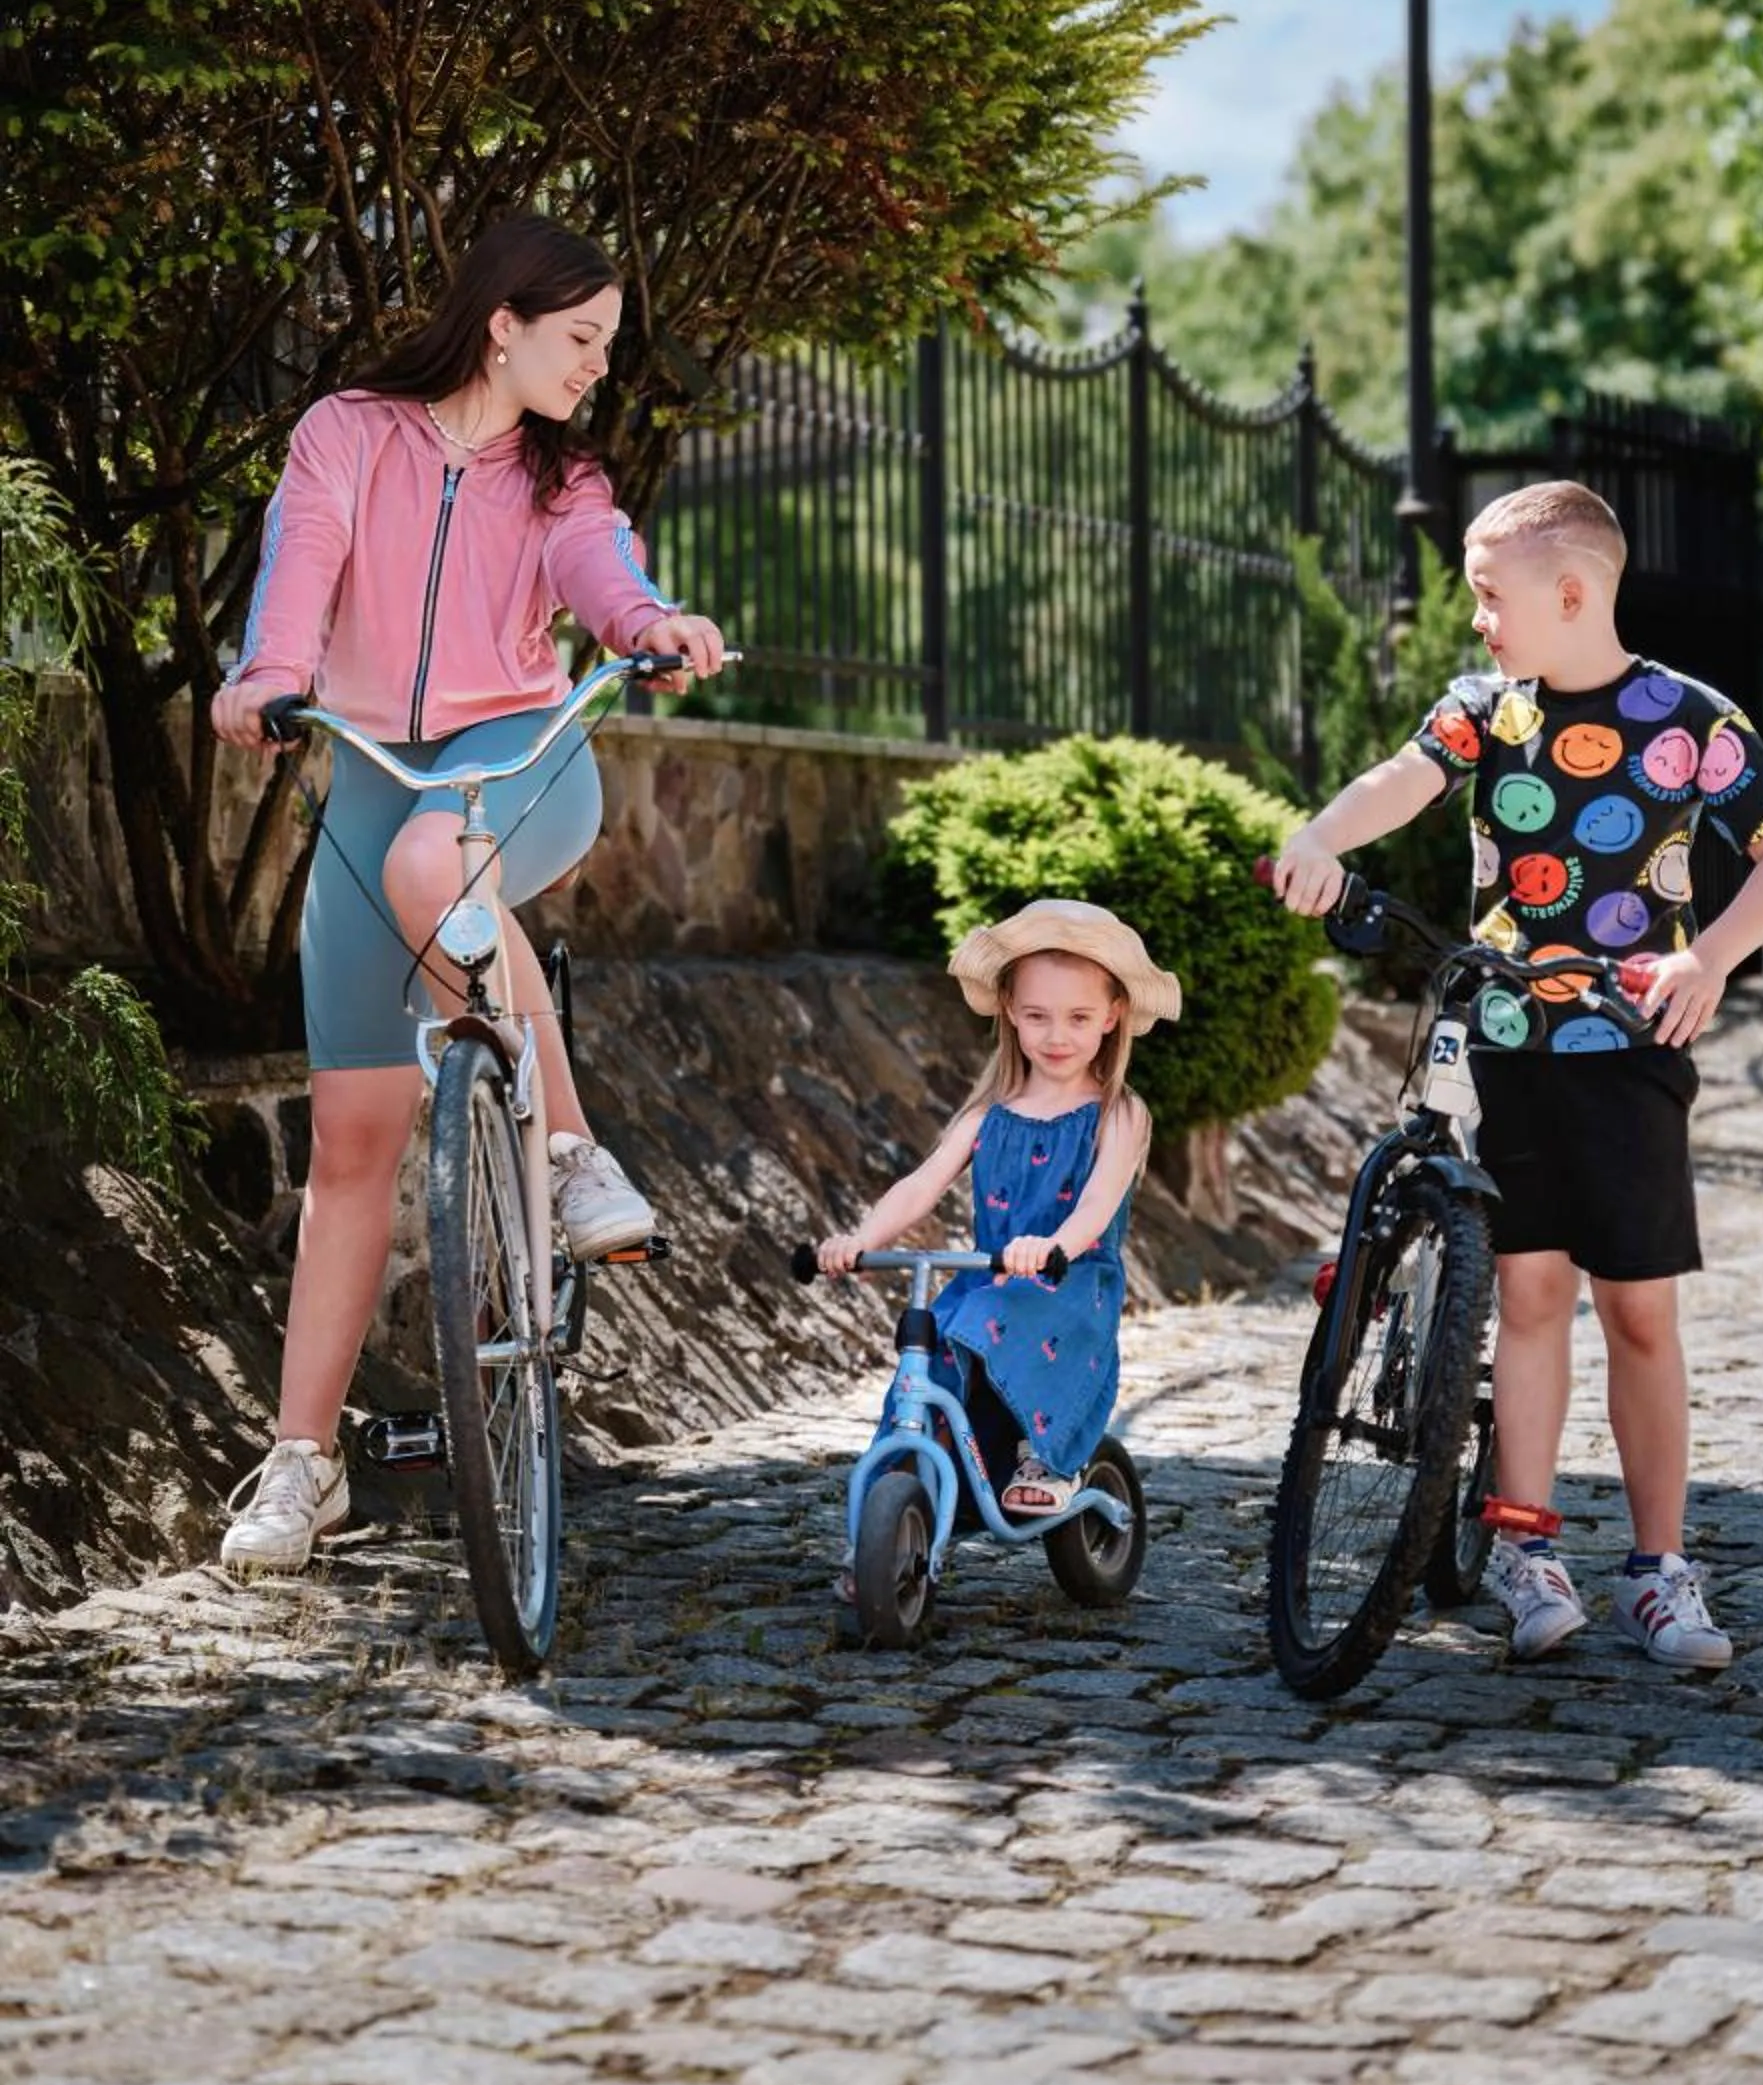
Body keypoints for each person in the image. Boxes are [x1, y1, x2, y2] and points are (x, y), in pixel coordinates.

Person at [209, 213, 727, 1573]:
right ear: (501, 320)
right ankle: (302, 1466)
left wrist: (650, 624)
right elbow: (297, 580)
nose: (598, 368)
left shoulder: (563, 480)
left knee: (438, 863)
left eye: (608, 347)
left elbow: (600, 577)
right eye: (582, 340)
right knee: (350, 1137)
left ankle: (566, 1153)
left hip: (520, 759)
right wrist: (264, 679)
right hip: (372, 761)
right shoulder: (346, 435)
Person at [1272, 481, 1763, 1671]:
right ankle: (1524, 1551)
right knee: (1525, 1298)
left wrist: (1708, 956)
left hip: (1630, 1055)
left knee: (1635, 1307)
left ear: (1569, 593)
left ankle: (1660, 1571)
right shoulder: (1484, 712)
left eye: (1486, 595)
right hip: (1507, 1047)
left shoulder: (1691, 719)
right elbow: (1397, 781)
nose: (1474, 618)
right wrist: (1320, 835)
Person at [816, 899, 1179, 1528]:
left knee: (983, 1316)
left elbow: (1098, 1203)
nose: (1056, 1035)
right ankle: (912, 1478)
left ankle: (1042, 1456)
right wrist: (861, 1238)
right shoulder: (990, 1112)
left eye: (1078, 1017)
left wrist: (1053, 1246)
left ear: (1112, 1016)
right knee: (930, 1342)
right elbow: (921, 1182)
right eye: (1037, 1016)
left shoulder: (1118, 1111)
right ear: (1010, 1011)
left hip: (1071, 1281)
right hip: (991, 1275)